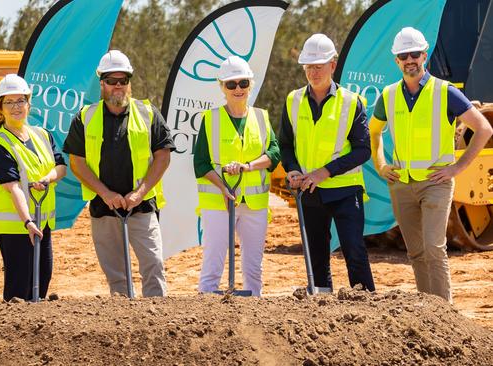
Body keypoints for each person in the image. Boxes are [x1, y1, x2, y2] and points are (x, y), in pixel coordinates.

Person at [370, 27, 492, 302]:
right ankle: (428, 313)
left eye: (415, 53)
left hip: (436, 184)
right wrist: (380, 165)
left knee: (434, 248)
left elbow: (483, 128)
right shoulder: (388, 96)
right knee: (415, 251)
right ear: (396, 61)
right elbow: (374, 132)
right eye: (404, 55)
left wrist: (457, 168)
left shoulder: (444, 91)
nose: (410, 59)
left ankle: (445, 315)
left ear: (424, 55)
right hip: (401, 185)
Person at [63, 50, 174, 297]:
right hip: (104, 209)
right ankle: (123, 324)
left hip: (142, 206)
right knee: (116, 276)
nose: (118, 86)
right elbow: (77, 162)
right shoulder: (85, 117)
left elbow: (163, 156)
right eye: (112, 81)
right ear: (102, 83)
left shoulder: (148, 113)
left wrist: (140, 192)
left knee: (154, 265)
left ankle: (159, 324)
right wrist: (105, 193)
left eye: (123, 80)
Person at [279, 34, 375, 292]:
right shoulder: (293, 100)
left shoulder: (351, 101)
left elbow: (363, 150)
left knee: (354, 252)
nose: (313, 72)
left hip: (345, 191)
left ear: (332, 65)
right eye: (309, 67)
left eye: (319, 66)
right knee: (316, 258)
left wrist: (325, 172)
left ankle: (367, 310)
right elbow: (285, 145)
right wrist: (293, 170)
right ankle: (321, 314)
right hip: (309, 192)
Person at [193, 56, 280, 297]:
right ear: (222, 87)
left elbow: (274, 153)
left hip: (254, 204)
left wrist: (247, 167)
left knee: (254, 267)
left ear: (250, 84)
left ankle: (253, 310)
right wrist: (222, 186)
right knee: (213, 264)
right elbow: (200, 163)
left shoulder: (262, 117)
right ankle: (206, 312)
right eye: (231, 84)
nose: (238, 89)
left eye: (243, 83)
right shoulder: (210, 120)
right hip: (219, 203)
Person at [0, 74, 67, 301]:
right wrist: (27, 221)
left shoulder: (42, 134)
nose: (16, 107)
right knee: (19, 288)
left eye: (20, 101)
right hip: (15, 226)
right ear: (1, 107)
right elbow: (13, 187)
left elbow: (61, 167)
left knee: (43, 278)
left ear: (29, 103)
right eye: (9, 102)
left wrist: (48, 179)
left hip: (42, 221)